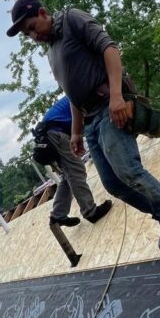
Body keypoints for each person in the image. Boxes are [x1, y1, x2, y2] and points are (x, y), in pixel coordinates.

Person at [7, 0, 160, 254]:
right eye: (26, 35)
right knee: (112, 183)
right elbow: (71, 92)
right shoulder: (52, 51)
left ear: (42, 13)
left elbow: (110, 48)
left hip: (110, 105)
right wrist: (75, 132)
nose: (32, 36)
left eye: (31, 27)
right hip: (90, 121)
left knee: (128, 170)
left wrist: (117, 97)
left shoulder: (72, 18)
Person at [40, 95, 113, 227]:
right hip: (55, 134)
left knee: (67, 177)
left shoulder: (75, 93)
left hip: (48, 136)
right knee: (76, 172)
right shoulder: (84, 95)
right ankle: (91, 212)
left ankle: (58, 215)